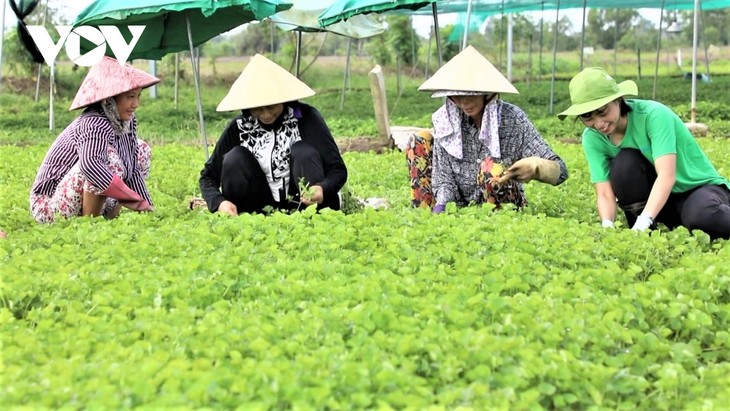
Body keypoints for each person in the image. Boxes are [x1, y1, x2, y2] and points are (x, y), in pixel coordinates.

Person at [559, 67, 730, 239]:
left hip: (697, 189)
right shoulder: (592, 138)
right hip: (661, 203)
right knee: (625, 163)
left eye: (602, 112)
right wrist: (607, 226)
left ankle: (652, 222)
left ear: (618, 100)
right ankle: (645, 232)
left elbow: (666, 176)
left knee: (702, 217)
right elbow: (604, 192)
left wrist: (645, 219)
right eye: (588, 118)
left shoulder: (653, 115)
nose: (599, 124)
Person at [407, 45, 568, 212]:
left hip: (502, 208)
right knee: (419, 140)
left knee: (491, 168)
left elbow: (561, 171)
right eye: (458, 96)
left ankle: (499, 220)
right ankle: (425, 215)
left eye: (471, 95)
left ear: (488, 93)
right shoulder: (446, 121)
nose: (464, 103)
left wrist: (537, 167)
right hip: (459, 207)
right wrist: (442, 205)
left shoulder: (511, 119)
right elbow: (444, 177)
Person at [199, 54, 347, 216]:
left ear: (284, 99)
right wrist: (219, 202)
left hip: (303, 206)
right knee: (235, 157)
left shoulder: (306, 118)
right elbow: (208, 176)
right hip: (258, 209)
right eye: (257, 109)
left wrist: (322, 188)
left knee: (303, 152)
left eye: (271, 107)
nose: (266, 115)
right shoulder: (239, 127)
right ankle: (244, 218)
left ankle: (314, 216)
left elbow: (338, 170)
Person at [30, 56, 159, 223]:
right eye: (130, 97)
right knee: (107, 158)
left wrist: (148, 207)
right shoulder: (94, 122)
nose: (136, 104)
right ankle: (91, 225)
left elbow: (132, 169)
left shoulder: (128, 121)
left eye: (138, 96)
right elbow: (91, 166)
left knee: (141, 150)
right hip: (49, 205)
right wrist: (135, 202)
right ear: (111, 98)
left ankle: (108, 219)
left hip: (81, 197)